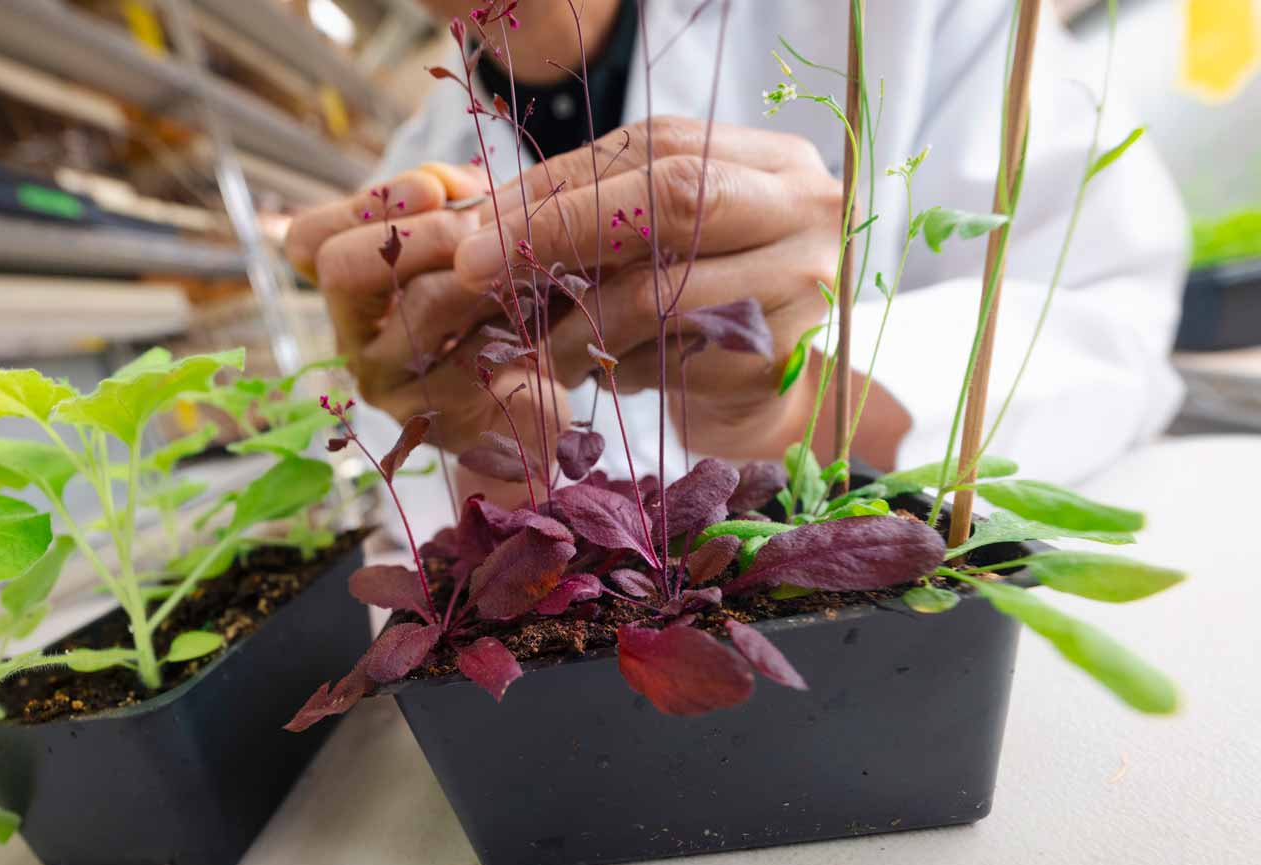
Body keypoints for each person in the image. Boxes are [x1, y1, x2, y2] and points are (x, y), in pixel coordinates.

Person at [286, 0, 1187, 531]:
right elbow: (413, 525)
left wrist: (792, 405)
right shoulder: (404, 189)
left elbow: (1104, 318)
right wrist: (486, 454)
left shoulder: (894, 19)